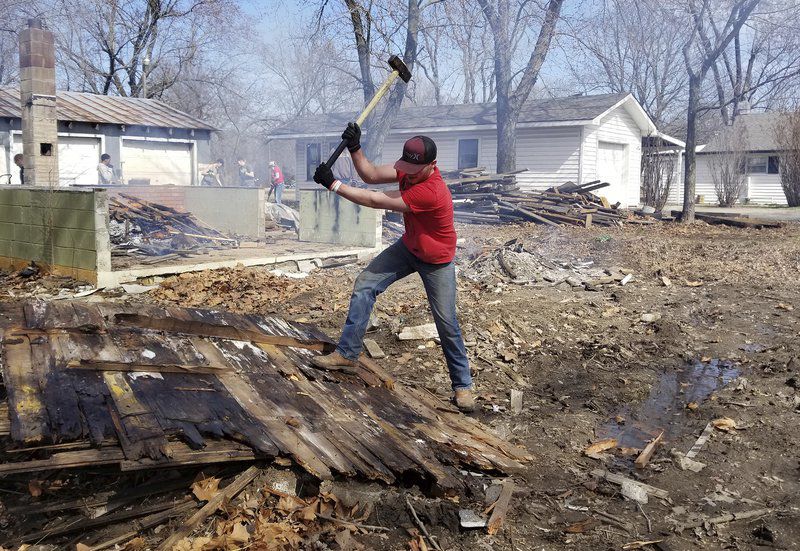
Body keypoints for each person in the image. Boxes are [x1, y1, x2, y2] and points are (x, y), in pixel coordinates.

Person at [311, 123, 475, 412]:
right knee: (365, 284)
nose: (407, 175)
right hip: (409, 247)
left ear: (431, 165)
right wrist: (354, 147)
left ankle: (462, 386)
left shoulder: (432, 191)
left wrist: (334, 184)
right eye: (405, 169)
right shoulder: (409, 168)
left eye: (415, 171)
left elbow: (377, 200)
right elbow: (371, 175)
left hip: (436, 259)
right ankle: (347, 355)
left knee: (446, 322)